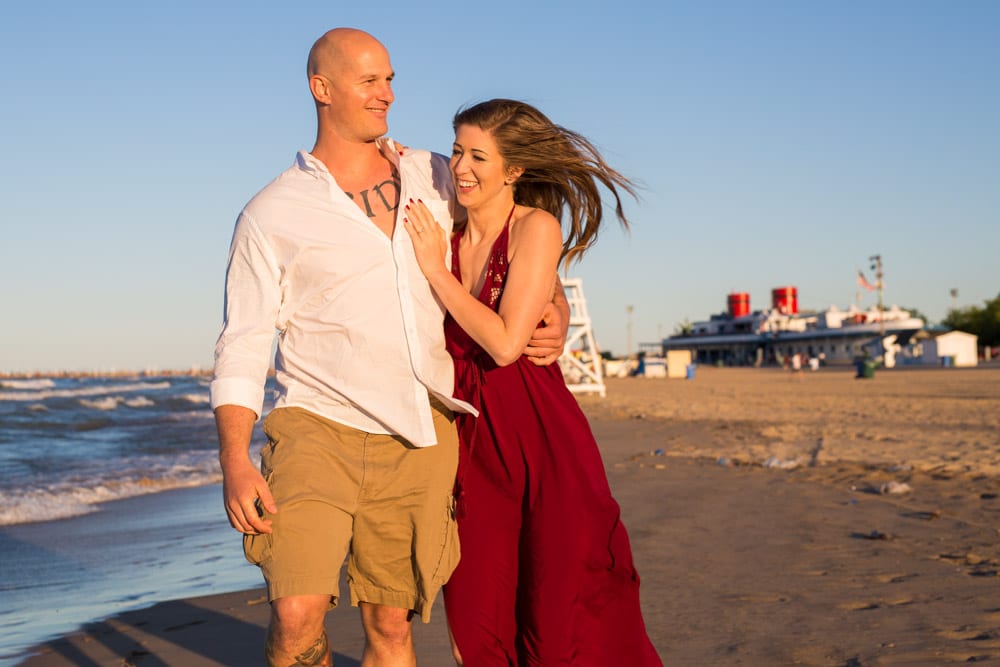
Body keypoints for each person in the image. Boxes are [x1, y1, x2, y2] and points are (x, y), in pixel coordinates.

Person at [210, 31, 567, 667]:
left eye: (391, 79)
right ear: (322, 89)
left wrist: (556, 306)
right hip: (316, 426)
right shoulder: (270, 214)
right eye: (370, 81)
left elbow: (508, 232)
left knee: (392, 625)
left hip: (420, 429)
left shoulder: (434, 173)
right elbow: (243, 342)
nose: (389, 95)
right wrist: (235, 459)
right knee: (296, 614)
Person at [404, 99, 662, 665]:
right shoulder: (443, 225)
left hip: (537, 438)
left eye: (478, 156)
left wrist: (434, 272)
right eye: (456, 151)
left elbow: (502, 343)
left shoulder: (535, 227)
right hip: (466, 441)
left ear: (514, 170)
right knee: (475, 612)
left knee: (556, 608)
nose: (462, 167)